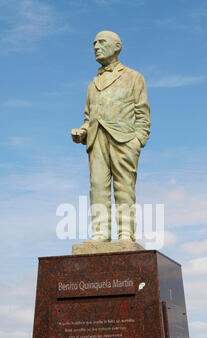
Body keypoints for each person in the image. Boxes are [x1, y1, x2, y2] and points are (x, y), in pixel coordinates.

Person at [71, 30, 150, 242]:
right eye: (94, 43)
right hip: (96, 140)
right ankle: (100, 233)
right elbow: (88, 117)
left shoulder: (134, 77)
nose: (96, 47)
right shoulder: (91, 85)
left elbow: (143, 113)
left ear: (116, 47)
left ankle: (126, 233)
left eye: (101, 42)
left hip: (124, 139)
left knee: (124, 187)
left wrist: (137, 141)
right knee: (97, 187)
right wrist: (82, 132)